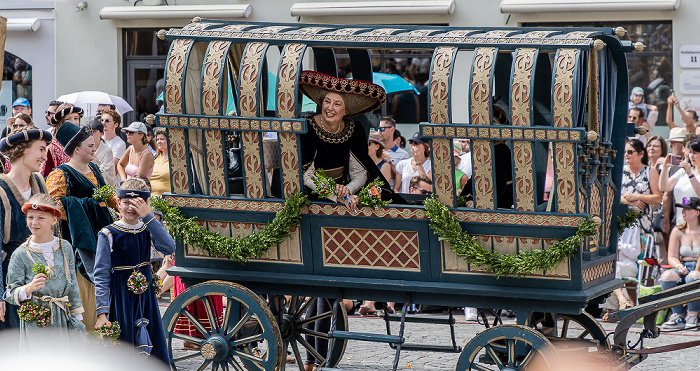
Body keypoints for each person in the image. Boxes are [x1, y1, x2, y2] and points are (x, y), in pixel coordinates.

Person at [94, 178, 176, 363]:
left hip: (146, 299)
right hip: (121, 300)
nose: (131, 207)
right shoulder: (107, 234)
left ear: (146, 204)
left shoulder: (148, 229)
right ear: (118, 202)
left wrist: (148, 216)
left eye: (137, 204)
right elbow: (101, 274)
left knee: (153, 347)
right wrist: (102, 313)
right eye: (126, 203)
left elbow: (169, 248)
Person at [46, 122, 118, 330]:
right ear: (76, 149)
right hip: (77, 238)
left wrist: (122, 206)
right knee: (84, 281)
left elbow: (107, 194)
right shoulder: (61, 174)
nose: (94, 149)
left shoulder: (94, 168)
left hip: (100, 231)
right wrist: (87, 208)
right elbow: (55, 206)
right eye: (89, 146)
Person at [298, 70, 391, 212]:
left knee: (377, 197)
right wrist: (334, 193)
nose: (330, 108)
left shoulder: (354, 129)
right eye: (327, 102)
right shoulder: (307, 127)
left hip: (346, 188)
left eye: (337, 104)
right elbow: (306, 175)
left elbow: (359, 171)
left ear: (345, 110)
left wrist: (347, 191)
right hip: (314, 193)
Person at [4, 194, 86, 342]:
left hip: (62, 317)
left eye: (41, 218)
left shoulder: (65, 247)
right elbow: (9, 293)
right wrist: (29, 288)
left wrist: (78, 320)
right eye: (30, 217)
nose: (34, 223)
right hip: (36, 320)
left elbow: (72, 283)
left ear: (54, 220)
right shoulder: (20, 254)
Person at [0, 128, 53, 331]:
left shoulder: (39, 183)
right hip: (10, 276)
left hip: (40, 273)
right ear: (23, 150)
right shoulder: (2, 189)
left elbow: (53, 232)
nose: (44, 156)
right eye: (40, 149)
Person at [460, 104, 513, 209]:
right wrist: (464, 196)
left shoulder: (500, 150)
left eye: (492, 121)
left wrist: (479, 201)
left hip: (498, 206)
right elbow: (475, 177)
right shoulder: (485, 150)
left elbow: (499, 184)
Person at [659, 197, 700, 330]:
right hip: (684, 265)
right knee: (666, 277)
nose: (683, 212)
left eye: (687, 209)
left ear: (697, 212)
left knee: (694, 277)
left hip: (698, 267)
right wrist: (678, 266)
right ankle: (678, 314)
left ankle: (692, 314)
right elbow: (671, 256)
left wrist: (697, 269)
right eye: (682, 209)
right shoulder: (678, 230)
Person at [659, 140, 700, 227]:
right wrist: (665, 168)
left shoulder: (688, 171)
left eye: (695, 153)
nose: (691, 156)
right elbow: (664, 187)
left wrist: (690, 174)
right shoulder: (682, 171)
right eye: (690, 152)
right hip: (681, 223)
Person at [42, 104, 83, 177]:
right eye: (68, 119)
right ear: (60, 122)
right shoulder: (52, 148)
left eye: (76, 118)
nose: (73, 122)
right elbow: (46, 176)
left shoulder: (83, 144)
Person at [88, 119, 118, 187]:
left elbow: (107, 175)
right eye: (89, 132)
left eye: (94, 132)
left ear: (101, 133)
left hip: (104, 189)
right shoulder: (85, 147)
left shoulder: (106, 150)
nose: (91, 134)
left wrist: (95, 162)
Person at [100, 110, 126, 175]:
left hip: (111, 182)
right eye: (102, 120)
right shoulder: (97, 140)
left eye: (107, 121)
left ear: (116, 124)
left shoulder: (120, 143)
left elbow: (111, 165)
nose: (103, 123)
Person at [150, 128, 171, 197]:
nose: (159, 142)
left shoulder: (175, 160)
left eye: (162, 139)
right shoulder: (154, 157)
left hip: (166, 201)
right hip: (151, 199)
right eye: (157, 139)